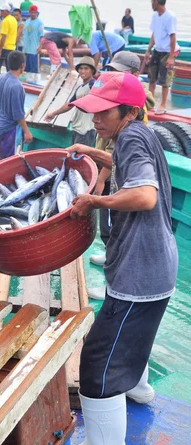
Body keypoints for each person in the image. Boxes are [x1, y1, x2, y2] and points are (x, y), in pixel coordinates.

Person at [67, 72, 178, 445]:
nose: (96, 120)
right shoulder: (142, 131)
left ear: (129, 111)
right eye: (93, 112)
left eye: (103, 114)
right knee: (134, 338)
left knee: (97, 363)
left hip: (139, 274)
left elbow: (145, 196)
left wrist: (95, 202)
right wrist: (96, 154)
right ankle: (138, 386)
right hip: (157, 265)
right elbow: (127, 163)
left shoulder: (130, 137)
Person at [87, 51, 155, 301]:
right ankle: (111, 262)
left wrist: (99, 193)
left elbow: (146, 196)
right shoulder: (118, 114)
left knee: (116, 230)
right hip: (115, 174)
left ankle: (112, 286)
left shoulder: (131, 131)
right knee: (111, 230)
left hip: (120, 182)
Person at [44, 56, 96, 147]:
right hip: (77, 129)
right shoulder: (80, 88)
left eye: (86, 68)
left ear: (92, 71)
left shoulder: (93, 84)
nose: (83, 71)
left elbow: (101, 88)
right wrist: (53, 113)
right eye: (81, 68)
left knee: (80, 158)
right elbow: (69, 105)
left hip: (86, 131)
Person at [145, 0, 180, 114]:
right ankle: (150, 103)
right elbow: (154, 34)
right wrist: (148, 50)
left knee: (165, 79)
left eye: (152, 2)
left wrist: (171, 57)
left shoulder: (170, 17)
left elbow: (173, 36)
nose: (151, 5)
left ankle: (163, 105)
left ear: (156, 2)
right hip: (157, 49)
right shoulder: (155, 16)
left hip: (167, 51)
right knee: (152, 77)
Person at [0, 50, 33, 159]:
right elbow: (18, 115)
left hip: (1, 126)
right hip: (11, 130)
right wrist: (27, 131)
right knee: (10, 160)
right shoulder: (17, 86)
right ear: (22, 66)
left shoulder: (1, 79)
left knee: (4, 157)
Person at [22, 5, 44, 82]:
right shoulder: (27, 22)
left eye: (34, 13)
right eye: (31, 12)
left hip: (34, 49)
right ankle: (29, 81)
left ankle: (37, 83)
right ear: (29, 12)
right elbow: (24, 34)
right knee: (27, 68)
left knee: (35, 69)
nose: (33, 14)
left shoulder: (39, 23)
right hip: (27, 49)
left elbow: (41, 36)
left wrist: (40, 47)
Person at [0, 4, 17, 75]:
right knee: (9, 69)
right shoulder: (14, 20)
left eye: (2, 11)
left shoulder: (5, 21)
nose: (0, 13)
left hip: (4, 47)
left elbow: (4, 36)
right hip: (11, 47)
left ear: (7, 11)